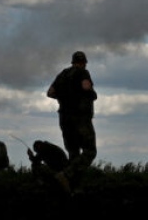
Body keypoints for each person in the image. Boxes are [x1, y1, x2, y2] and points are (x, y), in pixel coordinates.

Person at [47, 50, 97, 194]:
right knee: (90, 151)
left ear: (72, 61)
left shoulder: (63, 74)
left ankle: (73, 187)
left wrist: (64, 97)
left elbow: (50, 92)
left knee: (73, 153)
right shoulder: (83, 73)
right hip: (80, 119)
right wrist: (91, 95)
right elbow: (86, 87)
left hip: (64, 118)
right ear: (84, 62)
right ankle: (66, 175)